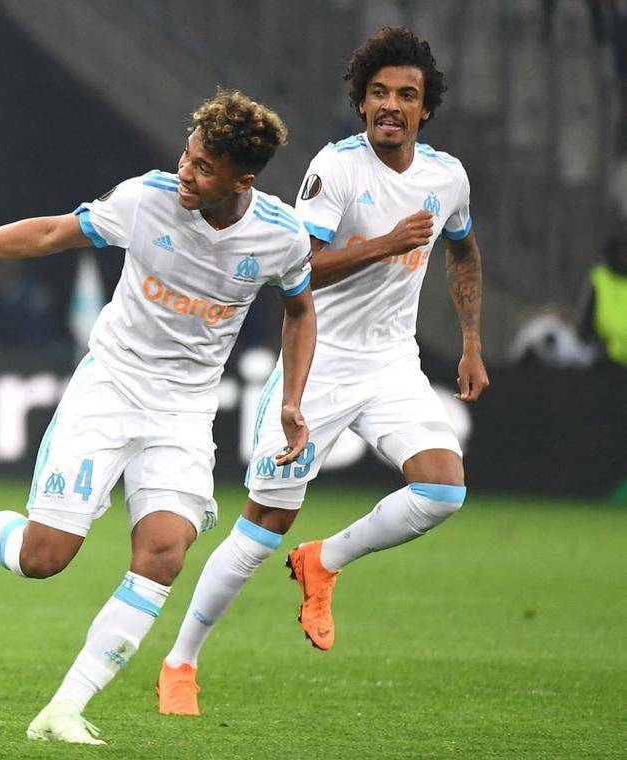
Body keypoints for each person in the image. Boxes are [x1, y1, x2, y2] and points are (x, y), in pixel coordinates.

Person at [0, 90, 317, 745]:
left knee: (164, 555)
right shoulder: (146, 199)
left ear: (242, 180)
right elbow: (51, 233)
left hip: (183, 411)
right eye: (187, 155)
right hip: (110, 388)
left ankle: (62, 709)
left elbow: (300, 311)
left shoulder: (281, 236)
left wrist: (292, 398)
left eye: (203, 168)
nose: (185, 172)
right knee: (44, 558)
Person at [156, 26, 489, 716]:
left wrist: (470, 340)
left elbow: (462, 249)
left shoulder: (447, 177)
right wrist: (384, 245)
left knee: (442, 490)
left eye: (406, 95)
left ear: (426, 108)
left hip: (392, 363)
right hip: (320, 362)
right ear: (361, 102)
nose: (391, 105)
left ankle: (324, 560)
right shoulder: (335, 169)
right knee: (261, 527)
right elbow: (298, 269)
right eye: (378, 93)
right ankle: (180, 661)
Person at [577, 227, 627, 366]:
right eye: (623, 250)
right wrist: (596, 346)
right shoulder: (599, 279)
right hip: (604, 361)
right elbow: (583, 323)